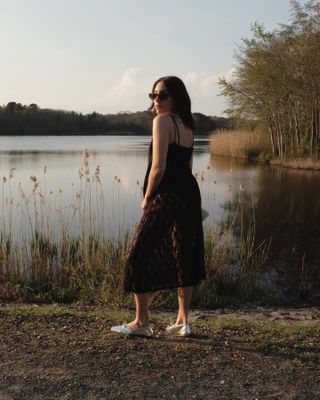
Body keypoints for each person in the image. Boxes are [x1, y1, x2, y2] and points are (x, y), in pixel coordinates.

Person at [111, 76, 206, 337]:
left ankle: (141, 323)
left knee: (138, 253)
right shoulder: (188, 124)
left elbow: (159, 166)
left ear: (176, 98)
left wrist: (146, 197)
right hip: (188, 193)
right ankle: (182, 322)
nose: (156, 101)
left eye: (162, 96)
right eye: (152, 95)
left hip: (166, 195)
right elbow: (187, 167)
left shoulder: (162, 121)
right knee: (182, 253)